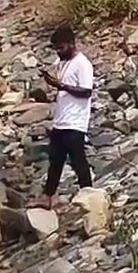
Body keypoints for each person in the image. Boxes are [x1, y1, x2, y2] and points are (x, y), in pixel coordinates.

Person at [39, 26, 94, 207]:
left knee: (78, 160)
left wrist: (61, 86)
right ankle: (47, 197)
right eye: (56, 49)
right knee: (55, 160)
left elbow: (86, 91)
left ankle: (89, 195)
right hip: (61, 120)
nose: (59, 52)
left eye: (61, 48)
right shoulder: (63, 62)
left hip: (75, 122)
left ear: (71, 44)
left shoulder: (82, 64)